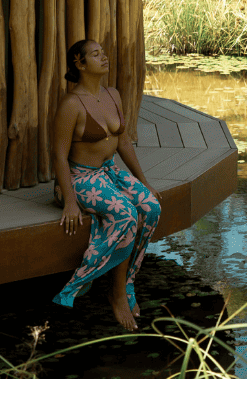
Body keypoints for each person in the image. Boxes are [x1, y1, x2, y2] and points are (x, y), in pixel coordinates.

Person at [50, 39, 160, 331]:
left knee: (150, 207)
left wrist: (143, 181)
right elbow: (59, 156)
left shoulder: (113, 95)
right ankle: (116, 294)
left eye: (103, 52)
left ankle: (128, 281)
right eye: (95, 54)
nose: (104, 57)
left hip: (109, 171)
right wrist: (71, 201)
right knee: (126, 214)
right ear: (79, 62)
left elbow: (123, 141)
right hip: (80, 178)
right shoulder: (71, 104)